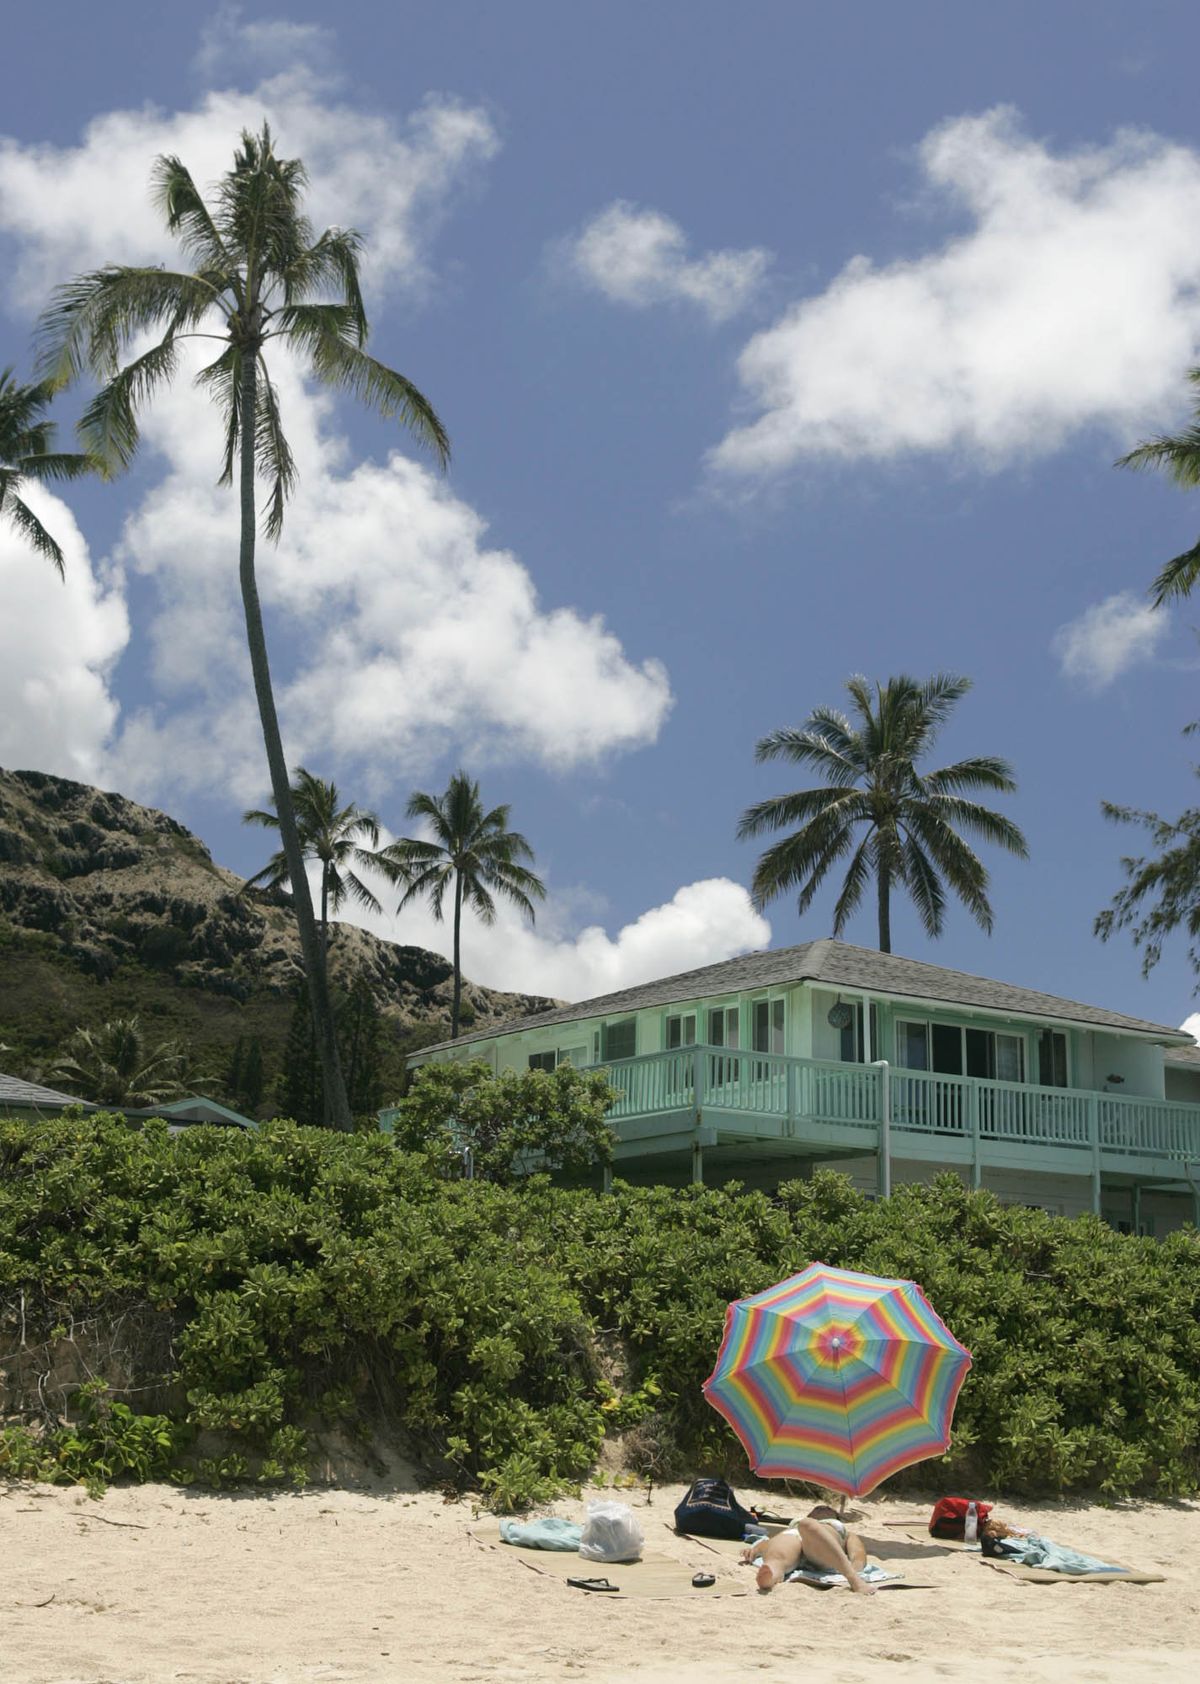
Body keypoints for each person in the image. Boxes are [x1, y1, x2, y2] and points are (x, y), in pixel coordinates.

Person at [740, 1504, 876, 1594]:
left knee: (808, 1526)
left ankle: (853, 1579)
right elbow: (770, 1542)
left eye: (826, 1509)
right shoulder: (797, 1523)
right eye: (817, 1509)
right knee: (777, 1556)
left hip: (820, 1544)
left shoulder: (841, 1529)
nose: (821, 1509)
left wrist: (855, 1567)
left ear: (835, 1517)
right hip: (794, 1534)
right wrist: (756, 1549)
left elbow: (858, 1552)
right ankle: (770, 1576)